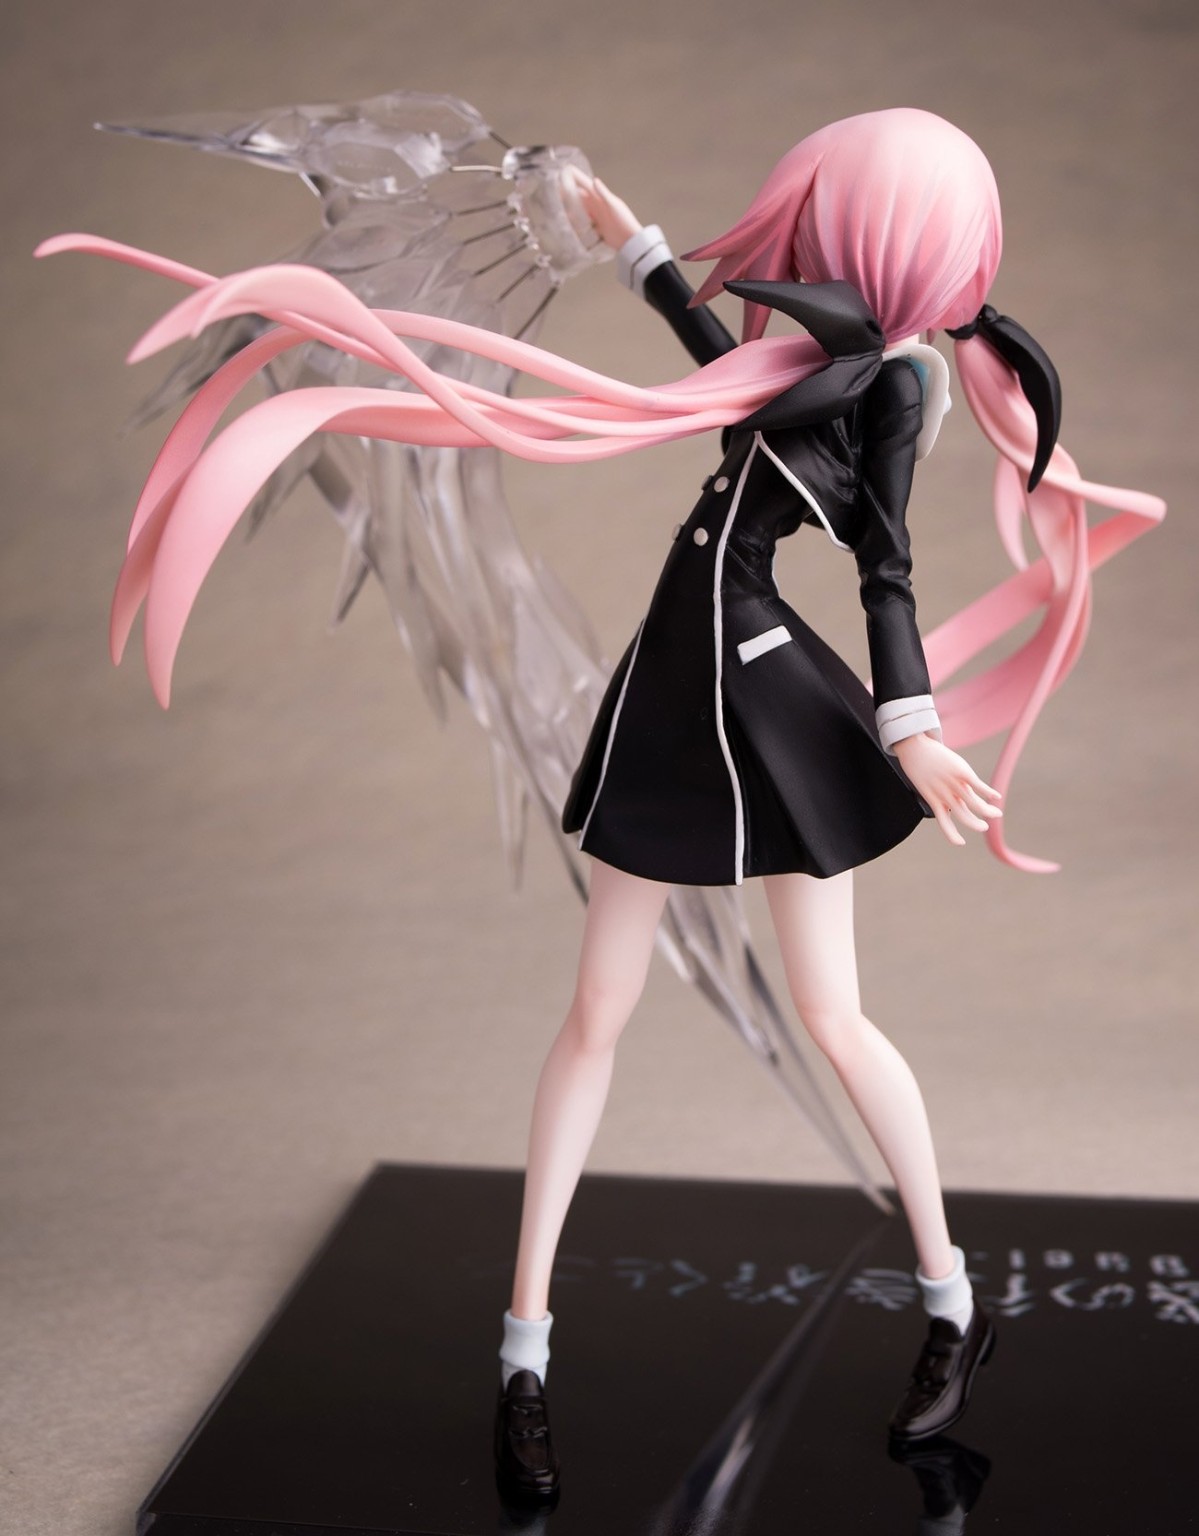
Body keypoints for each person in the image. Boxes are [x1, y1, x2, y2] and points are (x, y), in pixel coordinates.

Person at [39, 107, 1165, 1503]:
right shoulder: (796, 354)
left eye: (830, 218)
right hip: (673, 688)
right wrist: (631, 242)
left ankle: (952, 1301)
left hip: (776, 701)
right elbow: (707, 365)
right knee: (595, 1011)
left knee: (833, 1015)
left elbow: (886, 568)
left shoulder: (892, 386)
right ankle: (524, 1351)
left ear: (884, 242)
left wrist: (912, 726)